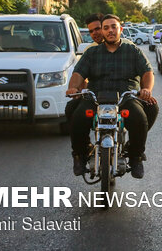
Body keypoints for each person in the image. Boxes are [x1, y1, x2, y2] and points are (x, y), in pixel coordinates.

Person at [66, 14, 154, 179]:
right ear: (103, 31)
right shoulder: (92, 52)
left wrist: (147, 89)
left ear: (120, 29)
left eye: (114, 27)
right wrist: (73, 87)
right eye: (106, 28)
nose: (110, 30)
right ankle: (80, 154)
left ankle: (136, 155)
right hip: (96, 97)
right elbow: (78, 73)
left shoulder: (132, 50)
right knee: (76, 115)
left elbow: (147, 72)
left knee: (140, 116)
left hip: (125, 97)